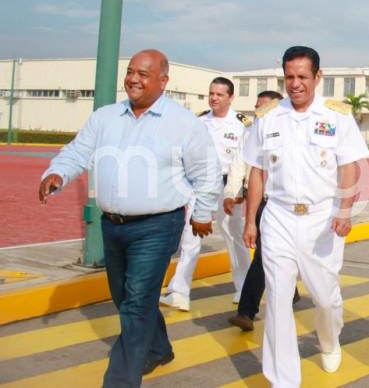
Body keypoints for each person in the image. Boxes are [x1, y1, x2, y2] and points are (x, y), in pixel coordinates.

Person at [38, 49, 221, 387]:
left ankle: (120, 381)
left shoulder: (183, 123)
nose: (134, 79)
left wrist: (204, 213)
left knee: (136, 303)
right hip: (113, 226)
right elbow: (78, 151)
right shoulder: (105, 117)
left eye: (144, 73)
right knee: (126, 296)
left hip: (158, 225)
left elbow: (207, 173)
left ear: (163, 81)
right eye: (131, 71)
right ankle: (159, 347)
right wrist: (57, 174)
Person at [243, 46, 369, 387]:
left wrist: (344, 211)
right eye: (289, 77)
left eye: (302, 77)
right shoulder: (268, 117)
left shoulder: (337, 116)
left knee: (325, 297)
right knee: (278, 299)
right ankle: (283, 380)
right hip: (279, 217)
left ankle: (329, 340)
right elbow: (256, 172)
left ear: (318, 77)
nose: (295, 84)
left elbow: (349, 168)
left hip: (322, 219)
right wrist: (250, 219)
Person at [159, 77, 251, 311]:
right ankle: (179, 291)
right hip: (199, 186)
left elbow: (246, 161)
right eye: (211, 93)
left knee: (234, 237)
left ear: (231, 97)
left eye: (220, 94)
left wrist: (241, 189)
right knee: (190, 237)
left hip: (228, 187)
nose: (214, 98)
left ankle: (244, 289)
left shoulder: (242, 124)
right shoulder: (199, 121)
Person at [225, 90, 300, 332]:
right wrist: (231, 192)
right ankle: (246, 312)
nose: (259, 113)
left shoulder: (292, 133)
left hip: (285, 205)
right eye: (257, 107)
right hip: (260, 203)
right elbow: (239, 164)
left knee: (268, 256)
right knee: (263, 256)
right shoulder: (250, 133)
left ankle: (251, 309)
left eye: (264, 108)